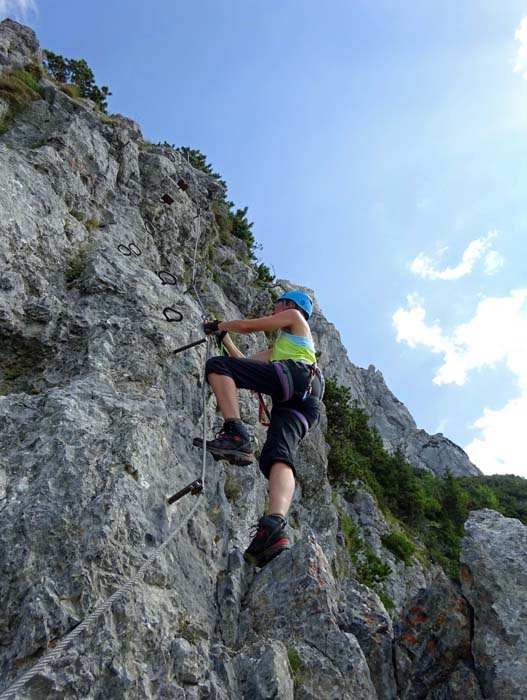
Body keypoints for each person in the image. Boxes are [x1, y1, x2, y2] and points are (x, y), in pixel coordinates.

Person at [193, 291, 324, 568]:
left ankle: (236, 433)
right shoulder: (285, 349)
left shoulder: (295, 316)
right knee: (277, 455)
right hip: (305, 400)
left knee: (217, 366)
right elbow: (244, 361)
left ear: (290, 305)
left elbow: (248, 326)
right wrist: (224, 338)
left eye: (279, 302)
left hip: (296, 377)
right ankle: (274, 527)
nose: (275, 307)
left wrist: (220, 325)